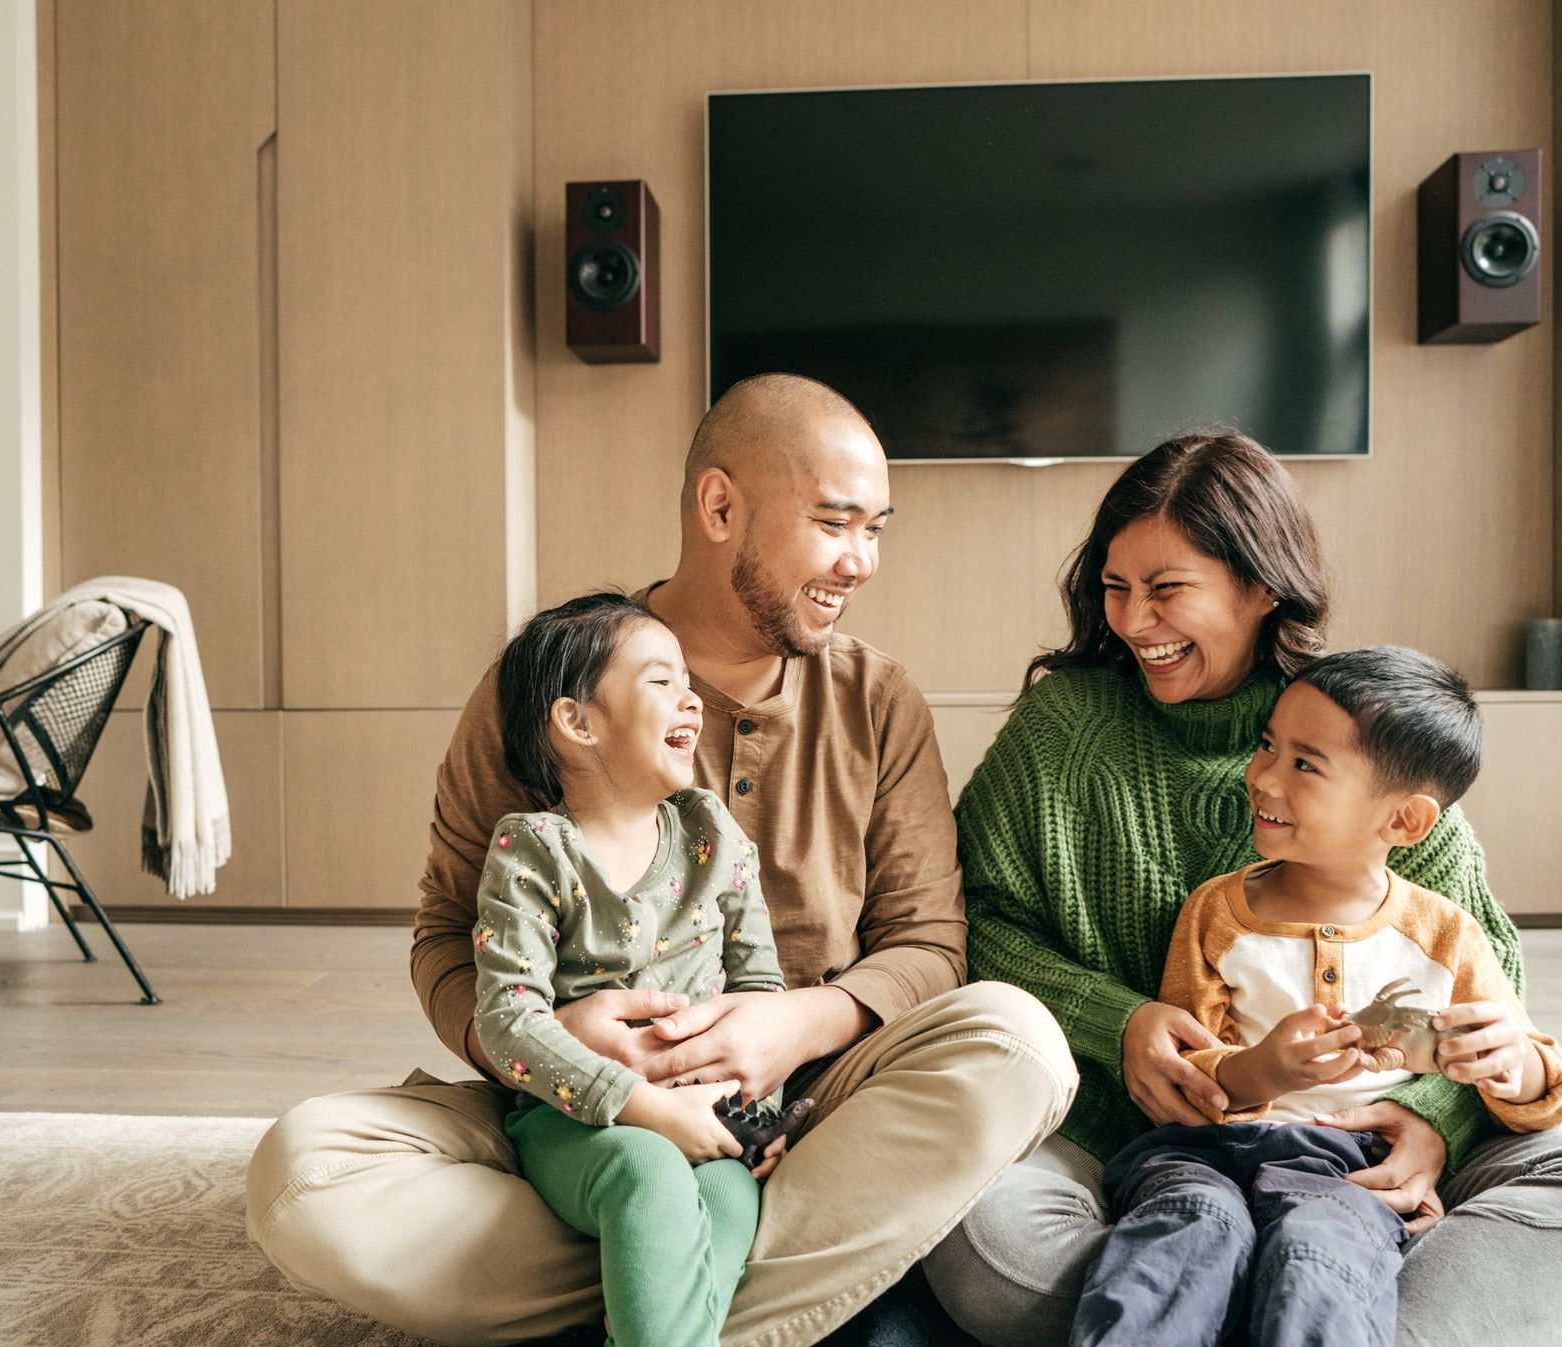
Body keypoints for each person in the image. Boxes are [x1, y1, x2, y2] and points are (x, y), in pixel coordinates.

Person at [246, 374, 1076, 1347]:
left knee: (1017, 1043)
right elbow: (445, 937)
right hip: (572, 1112)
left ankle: (646, 1290)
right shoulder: (552, 686)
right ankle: (732, 1279)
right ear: (720, 507)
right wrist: (561, 1041)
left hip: (798, 1118)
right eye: (836, 524)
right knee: (305, 1171)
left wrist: (788, 1026)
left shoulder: (880, 700)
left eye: (877, 529)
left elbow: (931, 947)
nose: (863, 561)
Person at [922, 430, 1562, 1347]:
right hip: (1130, 1148)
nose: (1132, 621)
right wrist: (1113, 1020)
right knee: (976, 1220)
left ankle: (1216, 1307)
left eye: (1167, 590)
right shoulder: (1065, 726)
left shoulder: (1366, 730)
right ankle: (1351, 1313)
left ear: (1261, 586)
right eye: (1114, 589)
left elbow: (1481, 981)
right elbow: (971, 924)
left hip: (1353, 1161)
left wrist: (1427, 1118)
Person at [1073, 646, 1562, 1347]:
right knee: (1180, 1235)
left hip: (1350, 1170)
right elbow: (1191, 1075)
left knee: (1321, 1257)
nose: (1262, 777)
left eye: (1304, 764)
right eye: (1268, 746)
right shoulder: (1216, 912)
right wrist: (1264, 1071)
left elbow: (1541, 1089)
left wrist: (1511, 1058)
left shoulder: (1446, 934)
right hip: (1202, 1154)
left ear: (1404, 822)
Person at [475, 592, 802, 1347]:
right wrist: (644, 1109)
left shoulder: (711, 833)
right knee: (649, 1176)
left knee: (725, 1201)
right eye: (661, 680)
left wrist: (755, 1106)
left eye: (688, 680)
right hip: (576, 1122)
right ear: (578, 721)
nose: (691, 697)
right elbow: (506, 1019)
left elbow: (761, 990)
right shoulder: (531, 849)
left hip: (710, 1109)